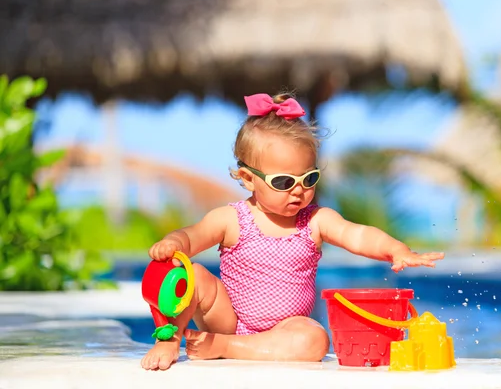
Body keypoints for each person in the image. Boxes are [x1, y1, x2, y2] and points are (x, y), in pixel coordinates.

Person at [140, 92, 444, 371]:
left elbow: (358, 235)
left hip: (286, 329)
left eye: (309, 179)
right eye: (284, 182)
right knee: (196, 277)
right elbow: (193, 236)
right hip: (228, 319)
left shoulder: (315, 220)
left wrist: (396, 249)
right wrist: (172, 243)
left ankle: (225, 348)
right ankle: (169, 340)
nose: (298, 191)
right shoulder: (232, 219)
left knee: (314, 339)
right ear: (248, 178)